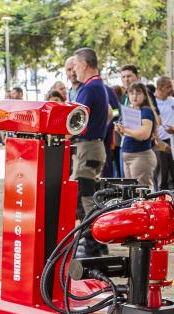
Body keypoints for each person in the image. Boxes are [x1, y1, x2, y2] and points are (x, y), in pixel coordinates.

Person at [71, 47, 113, 257]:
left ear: (85, 65)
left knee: (84, 196)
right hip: (93, 146)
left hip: (87, 148)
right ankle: (93, 241)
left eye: (76, 66)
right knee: (85, 194)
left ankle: (94, 242)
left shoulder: (89, 88)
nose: (74, 70)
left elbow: (76, 119)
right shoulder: (98, 86)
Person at [116, 82, 158, 189]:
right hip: (128, 154)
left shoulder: (146, 111)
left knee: (142, 192)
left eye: (138, 93)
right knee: (132, 193)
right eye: (131, 93)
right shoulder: (131, 109)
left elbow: (144, 134)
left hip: (140, 156)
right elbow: (130, 134)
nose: (134, 96)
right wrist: (122, 130)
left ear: (144, 96)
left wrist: (125, 130)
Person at [154, 76, 174, 191]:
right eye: (169, 87)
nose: (172, 89)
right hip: (159, 143)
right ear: (160, 88)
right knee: (161, 176)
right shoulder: (152, 103)